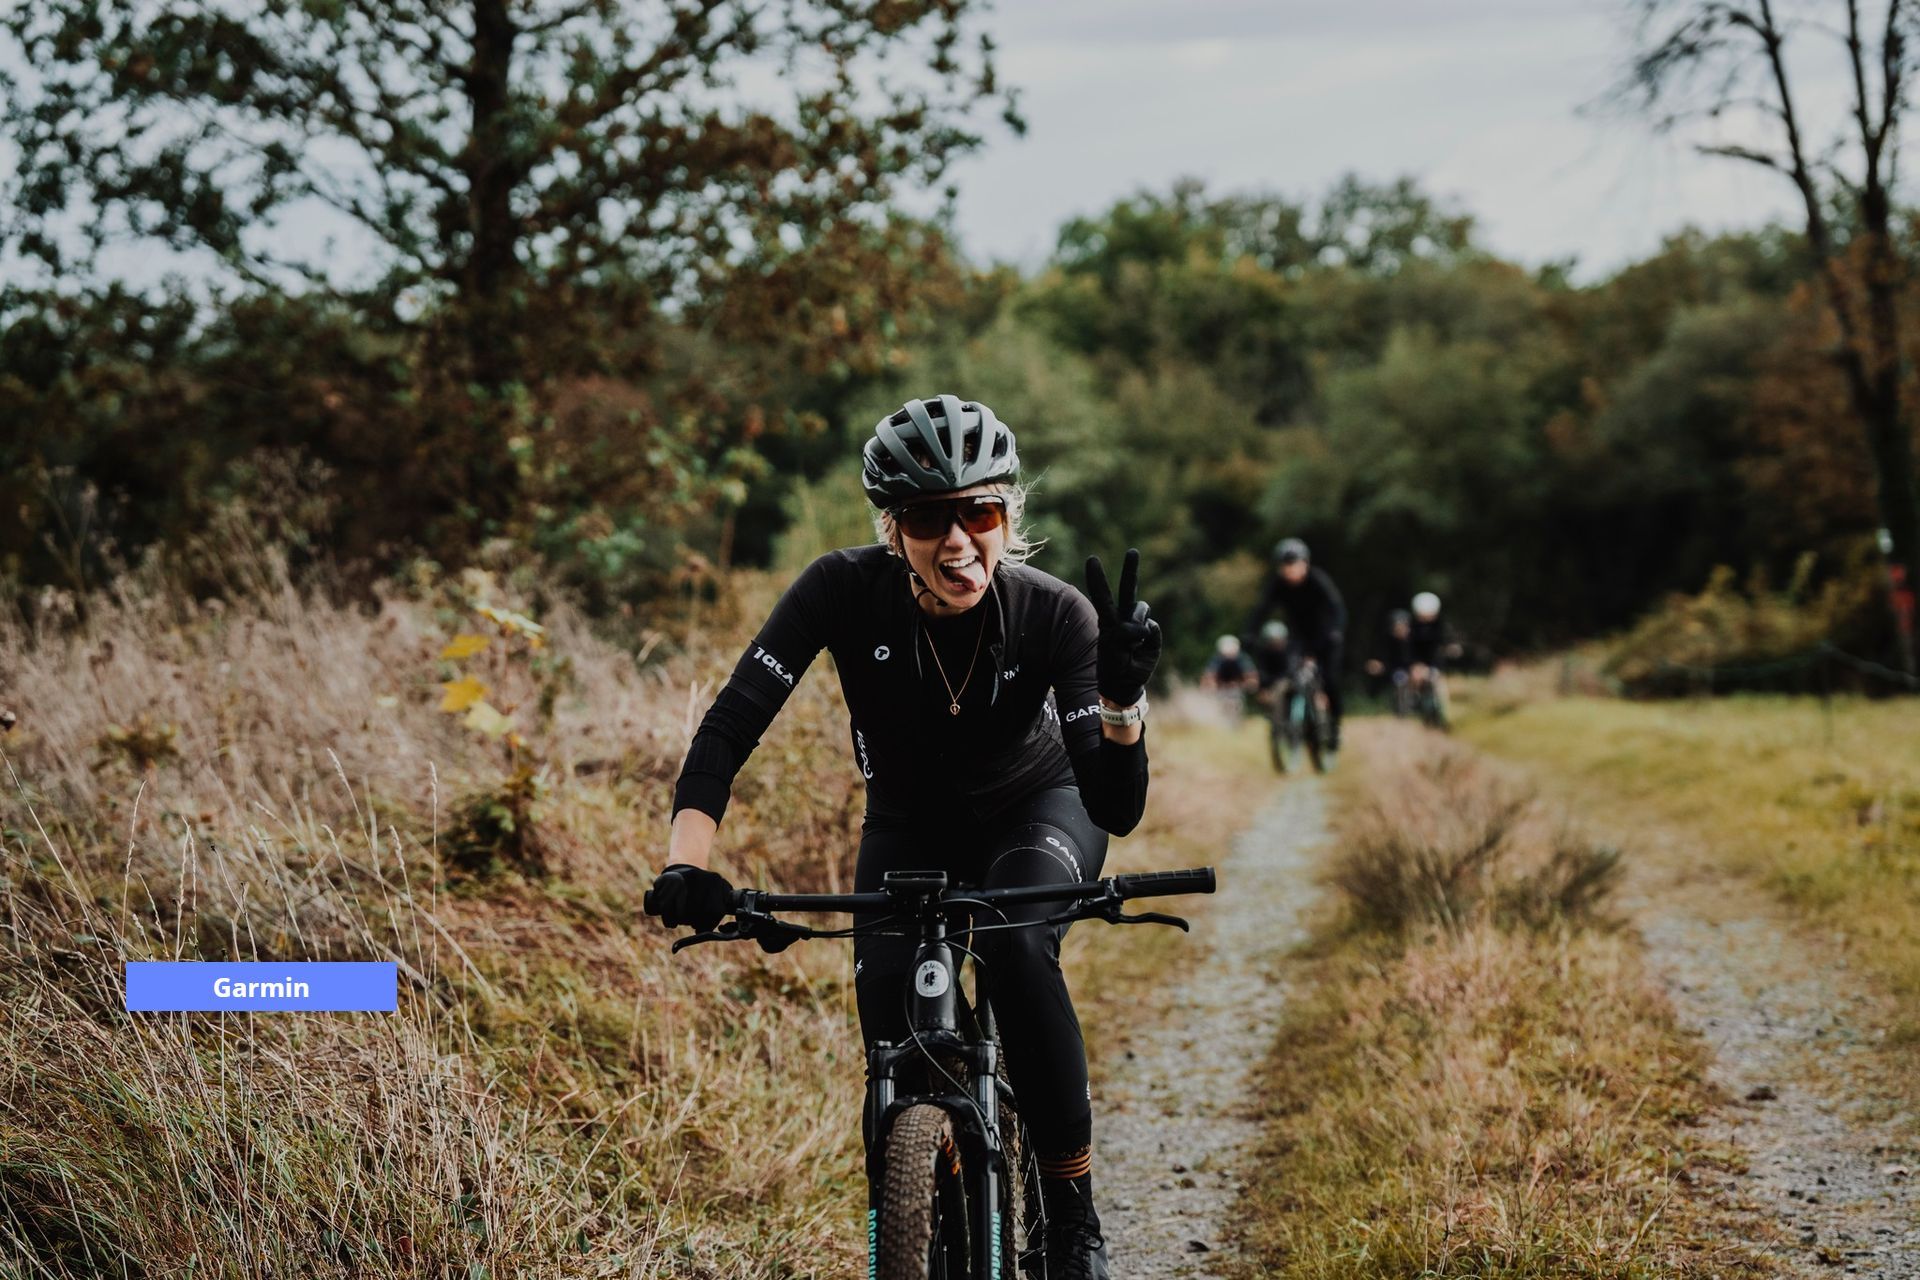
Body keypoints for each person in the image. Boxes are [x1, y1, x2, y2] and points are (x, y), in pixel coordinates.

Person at [646, 394, 1160, 1279]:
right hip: (909, 821)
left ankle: (1071, 1212)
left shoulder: (1057, 615)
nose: (958, 539)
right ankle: (913, 1215)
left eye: (980, 511)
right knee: (891, 1027)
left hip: (1039, 805)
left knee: (1015, 942)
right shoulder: (839, 593)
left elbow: (1115, 807)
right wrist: (686, 864)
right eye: (929, 517)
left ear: (1007, 516)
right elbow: (729, 726)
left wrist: (1120, 706)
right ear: (894, 530)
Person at [1247, 537, 1348, 754]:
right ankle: (1292, 723)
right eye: (1285, 566)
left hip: (1326, 637)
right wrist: (1250, 632)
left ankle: (1336, 726)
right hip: (1298, 639)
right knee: (1290, 676)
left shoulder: (1317, 580)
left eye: (1294, 565)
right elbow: (1262, 609)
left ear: (1305, 564)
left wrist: (1336, 631)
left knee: (1329, 680)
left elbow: (1336, 608)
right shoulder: (1278, 585)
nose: (1290, 571)